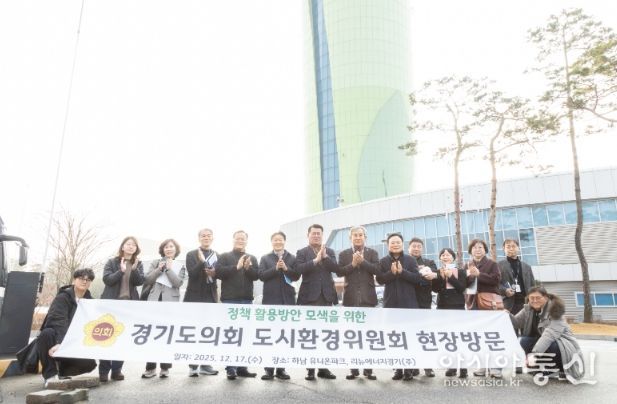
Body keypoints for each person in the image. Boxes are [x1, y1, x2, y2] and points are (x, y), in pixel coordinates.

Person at [38, 268, 97, 387]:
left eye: (88, 279)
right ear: (74, 280)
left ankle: (63, 371)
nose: (84, 281)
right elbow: (58, 321)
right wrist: (61, 342)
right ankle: (50, 375)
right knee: (46, 333)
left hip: (75, 339)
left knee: (89, 364)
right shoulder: (63, 297)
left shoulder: (91, 302)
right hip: (57, 338)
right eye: (81, 278)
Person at [510, 287, 584, 382]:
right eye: (532, 298)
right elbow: (516, 322)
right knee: (524, 341)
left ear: (545, 297)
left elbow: (548, 336)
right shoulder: (528, 309)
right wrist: (506, 314)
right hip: (542, 344)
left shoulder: (555, 311)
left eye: (538, 298)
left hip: (564, 346)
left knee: (552, 345)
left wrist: (534, 354)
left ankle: (558, 368)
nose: (534, 300)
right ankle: (538, 367)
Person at [376, 233, 423, 381]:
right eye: (392, 242)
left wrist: (402, 272)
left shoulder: (410, 260)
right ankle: (397, 369)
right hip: (391, 304)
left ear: (402, 244)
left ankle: (409, 369)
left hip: (409, 304)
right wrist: (392, 273)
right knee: (394, 337)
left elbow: (417, 278)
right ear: (388, 245)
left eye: (398, 242)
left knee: (409, 337)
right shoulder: (383, 261)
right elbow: (380, 280)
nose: (395, 245)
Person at [296, 224, 338, 381]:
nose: (316, 236)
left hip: (326, 297)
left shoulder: (330, 251)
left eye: (318, 233)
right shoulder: (302, 252)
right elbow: (299, 269)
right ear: (308, 235)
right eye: (313, 233)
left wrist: (325, 257)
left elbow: (336, 268)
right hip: (309, 298)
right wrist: (315, 260)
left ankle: (323, 368)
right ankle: (310, 369)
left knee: (325, 334)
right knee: (310, 334)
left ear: (322, 235)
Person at [337, 226, 380, 381]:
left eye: (360, 235)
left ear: (365, 237)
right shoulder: (344, 254)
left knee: (368, 336)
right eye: (355, 235)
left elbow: (377, 270)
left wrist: (363, 262)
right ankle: (353, 369)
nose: (357, 237)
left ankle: (368, 370)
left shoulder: (372, 253)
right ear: (350, 238)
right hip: (351, 299)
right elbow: (339, 272)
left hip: (368, 299)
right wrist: (353, 264)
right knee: (352, 336)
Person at [99, 236, 145, 382]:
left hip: (128, 306)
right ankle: (103, 371)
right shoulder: (112, 262)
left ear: (136, 248)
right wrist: (121, 271)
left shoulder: (138, 263)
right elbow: (107, 280)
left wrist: (135, 269)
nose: (131, 246)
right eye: (128, 244)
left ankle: (117, 370)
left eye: (134, 245)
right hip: (111, 304)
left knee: (123, 338)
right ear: (123, 247)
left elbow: (139, 281)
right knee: (107, 336)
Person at [215, 230, 259, 380]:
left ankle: (242, 367)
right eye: (238, 238)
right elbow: (218, 273)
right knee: (231, 334)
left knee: (245, 335)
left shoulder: (252, 257)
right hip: (230, 300)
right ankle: (231, 368)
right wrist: (237, 267)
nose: (240, 240)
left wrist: (248, 268)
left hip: (246, 300)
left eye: (243, 239)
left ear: (247, 241)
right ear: (233, 240)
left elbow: (256, 276)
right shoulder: (225, 256)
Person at [141, 239, 186, 379]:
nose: (169, 249)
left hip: (170, 303)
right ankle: (150, 368)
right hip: (154, 301)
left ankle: (165, 368)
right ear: (162, 250)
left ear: (175, 249)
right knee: (152, 335)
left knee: (166, 335)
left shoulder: (180, 265)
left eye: (171, 246)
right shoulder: (155, 262)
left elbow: (178, 283)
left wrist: (168, 269)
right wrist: (159, 269)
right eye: (166, 247)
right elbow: (147, 280)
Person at [258, 231, 299, 381]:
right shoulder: (265, 258)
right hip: (270, 301)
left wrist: (286, 268)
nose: (278, 242)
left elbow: (297, 276)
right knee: (271, 336)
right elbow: (261, 276)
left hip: (287, 301)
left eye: (280, 240)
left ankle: (281, 369)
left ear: (284, 241)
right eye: (275, 240)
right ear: (272, 242)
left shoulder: (292, 258)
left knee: (284, 336)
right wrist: (275, 268)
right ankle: (268, 369)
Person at [184, 228, 219, 377]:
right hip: (194, 297)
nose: (206, 238)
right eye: (203, 236)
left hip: (210, 296)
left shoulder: (217, 255)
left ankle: (205, 364)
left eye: (208, 236)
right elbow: (192, 274)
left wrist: (214, 272)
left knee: (207, 332)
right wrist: (201, 261)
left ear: (212, 238)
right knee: (193, 332)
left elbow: (219, 274)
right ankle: (193, 366)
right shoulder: (191, 254)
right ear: (199, 238)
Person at [466, 239, 503, 379]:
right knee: (479, 337)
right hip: (473, 304)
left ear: (485, 250)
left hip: (489, 304)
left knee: (492, 336)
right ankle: (482, 365)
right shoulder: (467, 265)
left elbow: (496, 280)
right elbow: (464, 284)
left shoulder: (492, 264)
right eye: (474, 247)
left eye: (480, 247)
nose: (477, 250)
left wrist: (479, 275)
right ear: (470, 251)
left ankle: (495, 367)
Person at [432, 248, 468, 378]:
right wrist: (440, 278)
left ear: (453, 257)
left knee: (459, 338)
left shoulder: (461, 271)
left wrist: (450, 276)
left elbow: (462, 288)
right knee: (448, 338)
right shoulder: (438, 271)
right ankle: (451, 367)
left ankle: (463, 368)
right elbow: (435, 289)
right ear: (440, 258)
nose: (445, 257)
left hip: (457, 307)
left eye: (448, 255)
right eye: (443, 255)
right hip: (442, 307)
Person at [408, 237, 437, 378]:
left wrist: (433, 275)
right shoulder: (404, 261)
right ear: (409, 248)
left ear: (422, 248)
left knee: (425, 335)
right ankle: (413, 366)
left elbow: (436, 276)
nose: (416, 248)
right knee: (409, 335)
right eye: (413, 246)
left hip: (424, 302)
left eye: (419, 246)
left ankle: (428, 366)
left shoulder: (429, 262)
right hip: (408, 302)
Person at [498, 239, 536, 315]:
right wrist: (505, 290)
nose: (511, 249)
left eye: (513, 246)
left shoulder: (527, 267)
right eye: (508, 247)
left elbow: (532, 285)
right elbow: (495, 284)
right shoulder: (499, 265)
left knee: (527, 323)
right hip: (508, 304)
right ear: (504, 249)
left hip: (526, 303)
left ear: (518, 248)